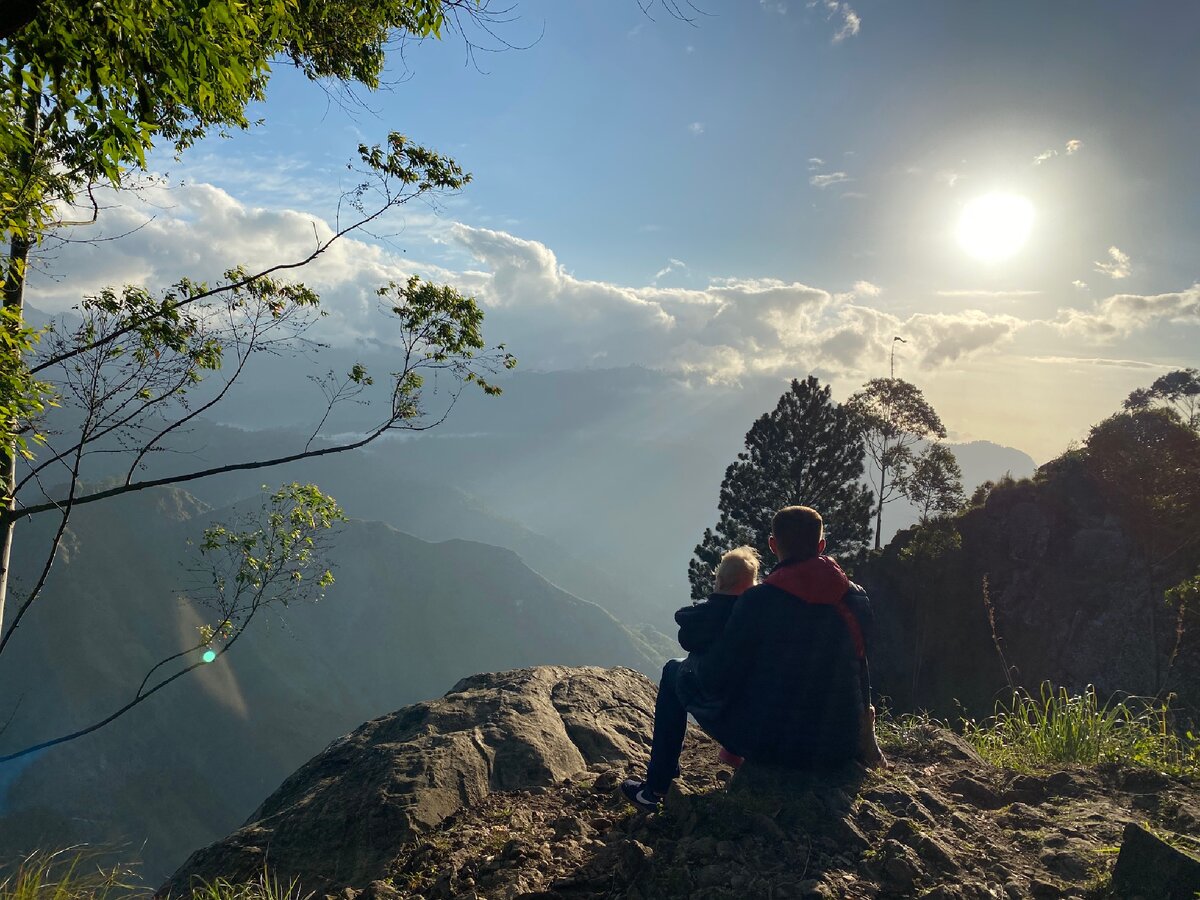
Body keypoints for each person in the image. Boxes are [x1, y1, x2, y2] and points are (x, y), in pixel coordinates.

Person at [622, 505, 882, 812]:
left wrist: (696, 655)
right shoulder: (855, 598)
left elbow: (717, 676)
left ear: (773, 545)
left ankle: (654, 789)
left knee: (674, 670)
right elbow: (860, 668)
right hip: (840, 744)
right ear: (821, 546)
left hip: (775, 746)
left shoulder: (759, 601)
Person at [674, 545, 761, 768]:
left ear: (719, 581)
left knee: (673, 671)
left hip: (721, 700)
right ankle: (732, 751)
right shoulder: (759, 615)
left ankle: (657, 783)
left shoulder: (711, 614)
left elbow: (687, 637)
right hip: (753, 702)